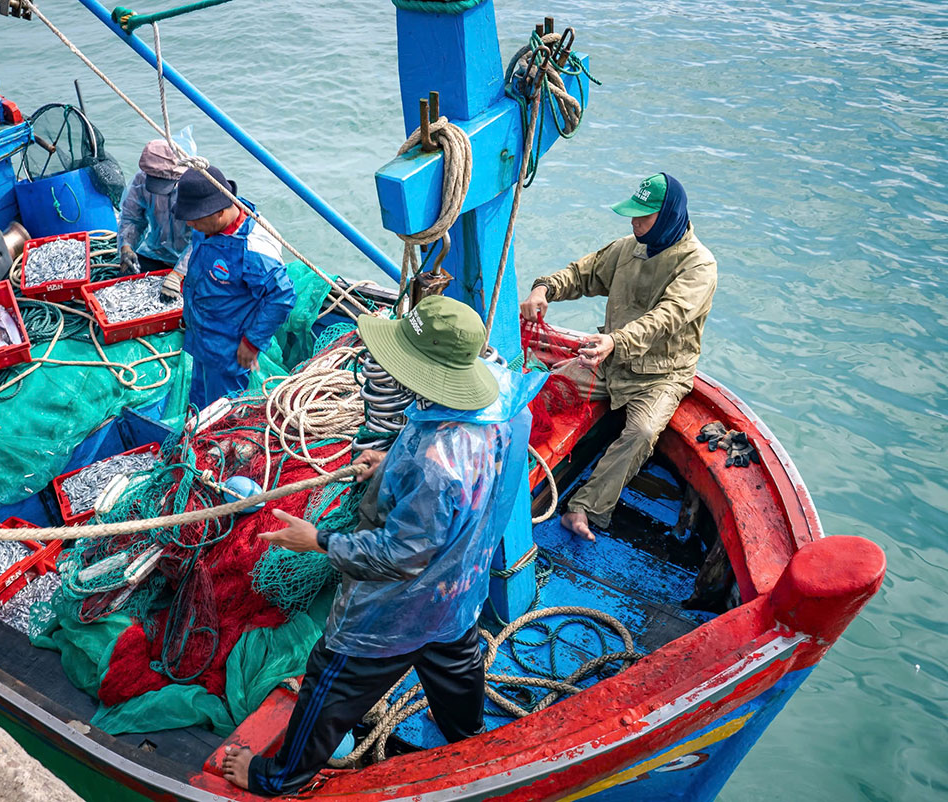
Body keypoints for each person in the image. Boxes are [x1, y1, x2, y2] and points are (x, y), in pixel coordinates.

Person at [221, 296, 545, 796]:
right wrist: (392, 462)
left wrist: (318, 540)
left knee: (332, 680)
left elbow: (399, 555)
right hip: (457, 592)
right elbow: (469, 480)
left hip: (395, 611)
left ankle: (279, 777)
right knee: (456, 666)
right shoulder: (504, 395)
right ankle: (470, 739)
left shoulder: (435, 466)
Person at [520, 172, 717, 541]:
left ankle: (584, 507)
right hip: (608, 362)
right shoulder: (628, 248)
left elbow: (667, 316)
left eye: (644, 215)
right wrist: (543, 288)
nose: (635, 221)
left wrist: (615, 341)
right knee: (540, 392)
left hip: (661, 375)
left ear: (670, 215)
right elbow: (582, 273)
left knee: (641, 433)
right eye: (633, 213)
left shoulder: (699, 266)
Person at [172, 164, 296, 410]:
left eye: (195, 221)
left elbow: (282, 296)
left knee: (223, 411)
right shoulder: (207, 227)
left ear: (218, 213)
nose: (191, 227)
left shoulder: (254, 250)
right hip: (201, 339)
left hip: (228, 349)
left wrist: (252, 343)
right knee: (199, 402)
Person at [117, 138, 193, 297]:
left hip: (192, 261)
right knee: (124, 288)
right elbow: (132, 219)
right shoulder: (141, 180)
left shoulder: (196, 183)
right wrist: (126, 247)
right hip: (156, 253)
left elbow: (203, 237)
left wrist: (179, 273)